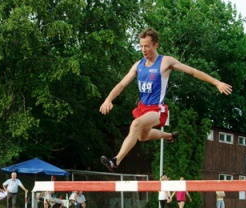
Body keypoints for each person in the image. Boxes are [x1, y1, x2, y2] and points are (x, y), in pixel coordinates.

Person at [99, 27, 232, 172]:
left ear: (155, 45)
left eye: (147, 46)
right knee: (142, 137)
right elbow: (122, 84)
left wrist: (216, 82)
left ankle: (115, 160)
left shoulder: (165, 62)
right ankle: (169, 136)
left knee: (135, 124)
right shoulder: (138, 65)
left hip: (157, 109)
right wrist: (108, 99)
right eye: (141, 46)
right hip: (142, 109)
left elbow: (193, 72)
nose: (143, 50)